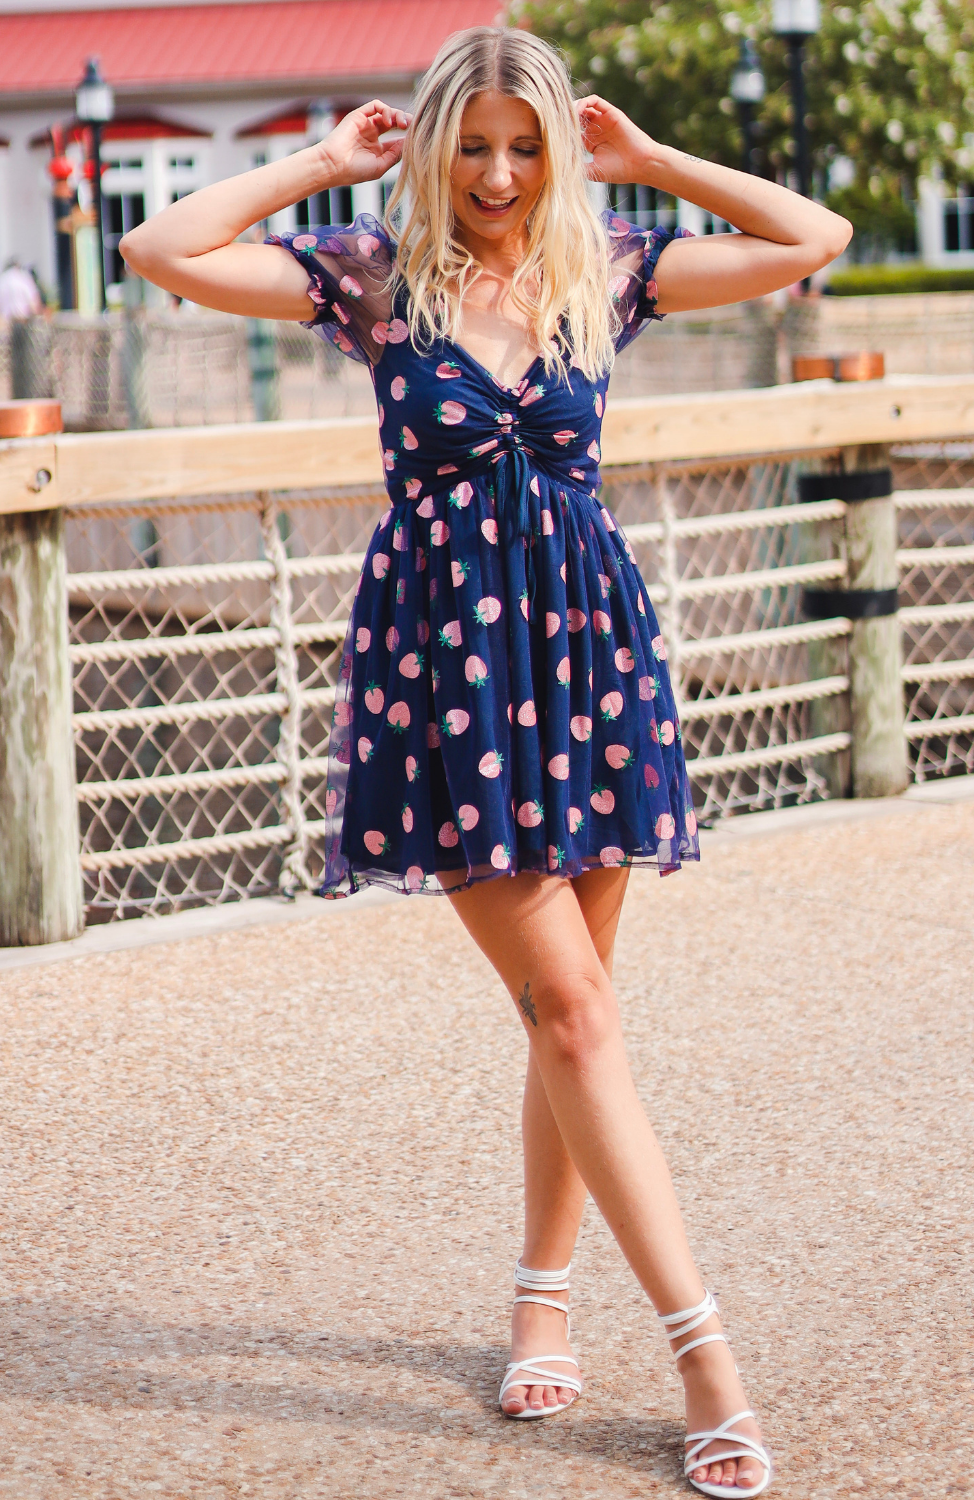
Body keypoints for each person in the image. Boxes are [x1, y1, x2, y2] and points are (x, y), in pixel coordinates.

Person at [121, 25, 850, 1496]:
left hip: (588, 661)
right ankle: (706, 1355)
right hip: (447, 676)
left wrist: (646, 158)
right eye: (476, 145)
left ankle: (540, 1299)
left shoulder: (609, 266)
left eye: (529, 148)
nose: (503, 175)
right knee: (574, 1012)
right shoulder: (380, 283)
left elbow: (812, 235)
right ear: (438, 144)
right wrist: (323, 162)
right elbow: (159, 244)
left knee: (571, 1008)